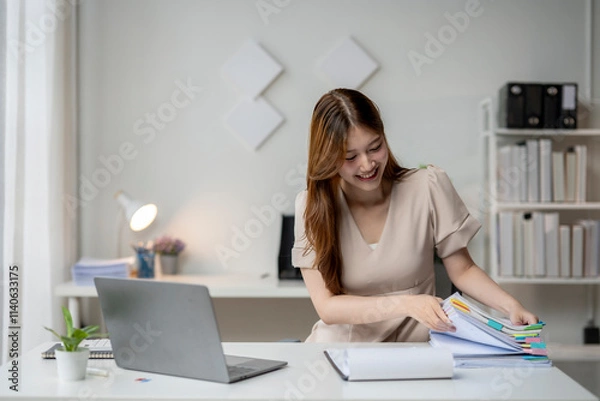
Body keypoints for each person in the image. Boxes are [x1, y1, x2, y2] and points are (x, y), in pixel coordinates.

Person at [292, 88, 538, 343]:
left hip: (417, 351)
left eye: (375, 147)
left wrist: (510, 306)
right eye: (350, 157)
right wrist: (407, 304)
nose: (367, 165)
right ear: (329, 157)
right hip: (341, 354)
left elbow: (463, 270)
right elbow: (327, 308)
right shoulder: (311, 207)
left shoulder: (428, 186)